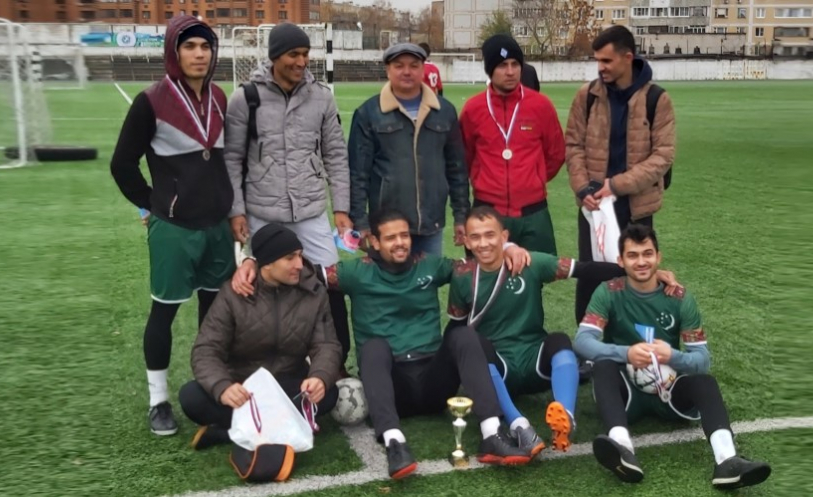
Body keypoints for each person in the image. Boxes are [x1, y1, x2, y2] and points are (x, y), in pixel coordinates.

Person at [231, 209, 535, 478]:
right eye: (390, 238)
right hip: (392, 385)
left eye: (404, 236)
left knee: (463, 335)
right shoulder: (356, 271)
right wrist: (253, 262)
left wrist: (509, 247)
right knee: (374, 346)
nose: (400, 242)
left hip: (434, 382)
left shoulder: (430, 265)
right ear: (374, 242)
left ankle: (491, 433)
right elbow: (301, 271)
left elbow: (479, 262)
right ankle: (394, 442)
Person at [447, 207, 680, 452]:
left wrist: (643, 272)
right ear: (466, 241)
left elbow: (584, 269)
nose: (484, 243)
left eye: (490, 235)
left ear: (504, 237)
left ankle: (565, 417)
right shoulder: (463, 277)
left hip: (536, 366)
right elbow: (459, 330)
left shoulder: (531, 262)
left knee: (559, 340)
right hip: (498, 370)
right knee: (477, 344)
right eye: (475, 237)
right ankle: (518, 423)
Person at [574, 224, 770, 488]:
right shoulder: (608, 292)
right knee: (603, 366)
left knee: (705, 382)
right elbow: (582, 342)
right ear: (621, 260)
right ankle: (622, 449)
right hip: (625, 393)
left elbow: (702, 360)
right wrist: (626, 353)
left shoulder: (680, 298)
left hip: (668, 392)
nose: (641, 262)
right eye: (632, 255)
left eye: (647, 253)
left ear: (659, 256)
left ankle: (727, 461)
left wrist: (672, 356)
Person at [110, 15, 233, 436]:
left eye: (206, 46)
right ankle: (158, 400)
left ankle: (209, 386)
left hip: (217, 227)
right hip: (175, 228)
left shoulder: (219, 97)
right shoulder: (151, 101)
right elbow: (122, 164)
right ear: (174, 52)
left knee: (215, 316)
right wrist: (152, 204)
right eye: (190, 46)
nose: (200, 54)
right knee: (163, 313)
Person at [223, 23, 353, 373]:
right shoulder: (245, 98)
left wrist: (341, 207)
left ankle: (337, 362)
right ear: (274, 56)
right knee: (264, 288)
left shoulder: (322, 97)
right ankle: (268, 365)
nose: (301, 62)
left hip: (310, 210)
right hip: (263, 211)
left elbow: (335, 155)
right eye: (294, 54)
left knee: (330, 284)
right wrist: (236, 211)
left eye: (306, 54)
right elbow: (232, 159)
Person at [179, 224, 342, 451]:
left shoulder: (314, 292)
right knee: (191, 397)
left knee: (329, 394)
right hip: (243, 386)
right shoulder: (233, 294)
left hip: (287, 383)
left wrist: (319, 378)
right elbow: (206, 349)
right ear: (267, 263)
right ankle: (277, 427)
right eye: (290, 258)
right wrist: (223, 387)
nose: (299, 264)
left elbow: (326, 344)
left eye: (299, 255)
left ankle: (230, 433)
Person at [564, 25, 676, 323]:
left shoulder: (657, 99)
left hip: (636, 209)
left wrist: (616, 185)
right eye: (597, 61)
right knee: (591, 279)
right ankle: (587, 342)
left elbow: (663, 156)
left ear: (628, 58)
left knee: (637, 279)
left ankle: (633, 341)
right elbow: (573, 145)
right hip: (594, 208)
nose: (600, 67)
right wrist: (582, 188)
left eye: (606, 61)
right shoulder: (586, 96)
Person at [348, 43, 469, 258]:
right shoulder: (368, 113)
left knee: (427, 278)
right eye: (399, 66)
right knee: (387, 279)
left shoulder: (444, 111)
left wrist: (461, 216)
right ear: (388, 70)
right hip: (386, 226)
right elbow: (358, 173)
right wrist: (360, 221)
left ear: (423, 69)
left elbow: (456, 169)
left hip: (430, 224)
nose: (407, 71)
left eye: (414, 65)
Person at [459, 35, 565, 255]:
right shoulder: (473, 109)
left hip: (533, 213)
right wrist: (486, 181)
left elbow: (555, 154)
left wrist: (532, 179)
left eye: (515, 64)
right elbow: (464, 158)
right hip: (487, 213)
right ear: (490, 70)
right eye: (502, 65)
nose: (510, 72)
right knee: (485, 275)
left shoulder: (541, 105)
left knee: (537, 273)